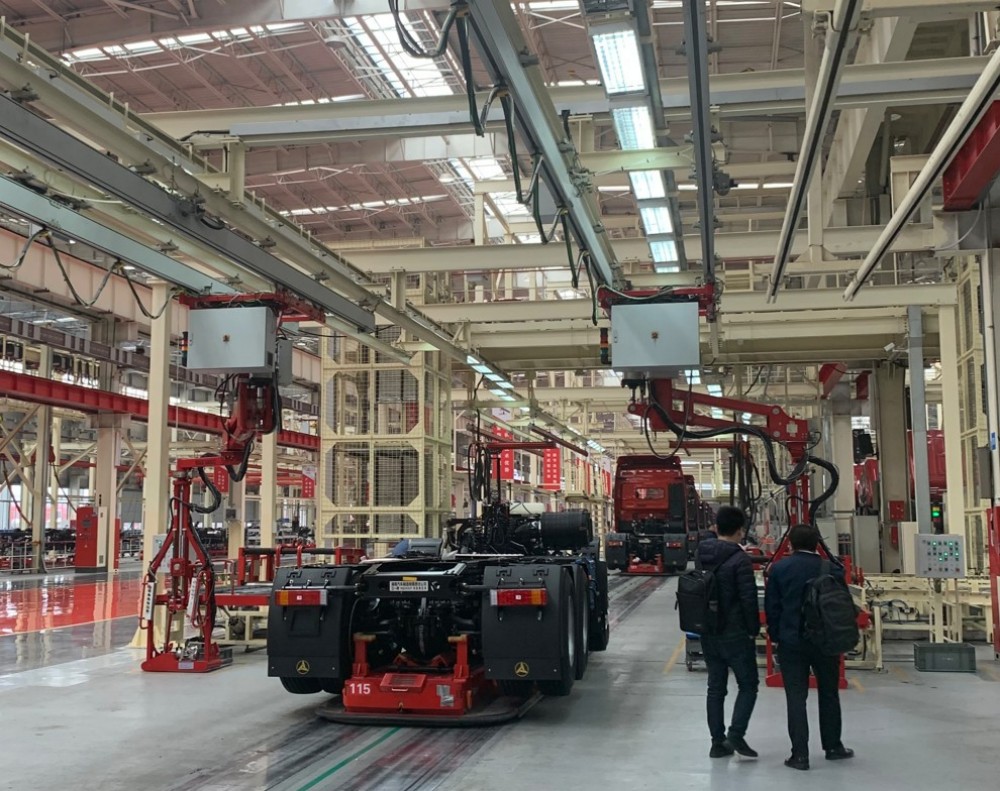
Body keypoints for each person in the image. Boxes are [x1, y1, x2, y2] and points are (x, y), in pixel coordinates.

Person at [765, 524, 854, 771]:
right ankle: (833, 747)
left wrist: (776, 636)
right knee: (829, 692)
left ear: (791, 544)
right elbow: (842, 605)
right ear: (817, 544)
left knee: (796, 697)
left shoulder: (780, 569)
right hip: (825, 641)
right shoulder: (831, 568)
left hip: (792, 642)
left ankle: (800, 755)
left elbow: (773, 608)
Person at [697, 505, 760, 759]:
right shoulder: (740, 559)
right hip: (735, 633)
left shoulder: (702, 553)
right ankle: (735, 735)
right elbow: (748, 598)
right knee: (748, 684)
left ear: (717, 527)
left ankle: (717, 743)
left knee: (715, 687)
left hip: (708, 629)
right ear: (739, 530)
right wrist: (753, 629)